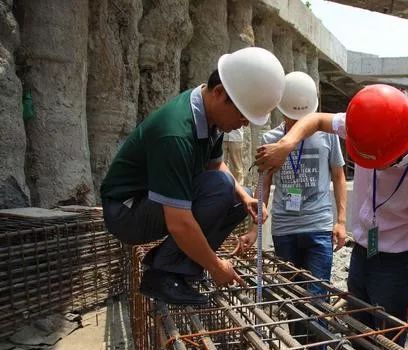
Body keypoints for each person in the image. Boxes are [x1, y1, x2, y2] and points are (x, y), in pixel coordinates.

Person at [255, 84, 408, 350]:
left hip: (394, 267)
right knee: (358, 340)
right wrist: (287, 144)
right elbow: (313, 120)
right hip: (363, 255)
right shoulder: (368, 123)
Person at [100, 47, 285, 305]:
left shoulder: (211, 119)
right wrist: (217, 267)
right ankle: (163, 275)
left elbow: (215, 166)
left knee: (233, 197)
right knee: (221, 188)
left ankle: (177, 269)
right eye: (243, 114)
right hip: (127, 212)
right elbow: (179, 222)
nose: (244, 123)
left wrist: (245, 198)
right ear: (219, 93)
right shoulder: (176, 133)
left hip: (150, 203)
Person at [234, 71, 347, 350]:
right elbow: (264, 181)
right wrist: (253, 229)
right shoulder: (272, 138)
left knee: (316, 298)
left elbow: (337, 174)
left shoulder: (327, 135)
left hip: (319, 226)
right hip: (285, 229)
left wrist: (341, 221)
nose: (297, 123)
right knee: (293, 299)